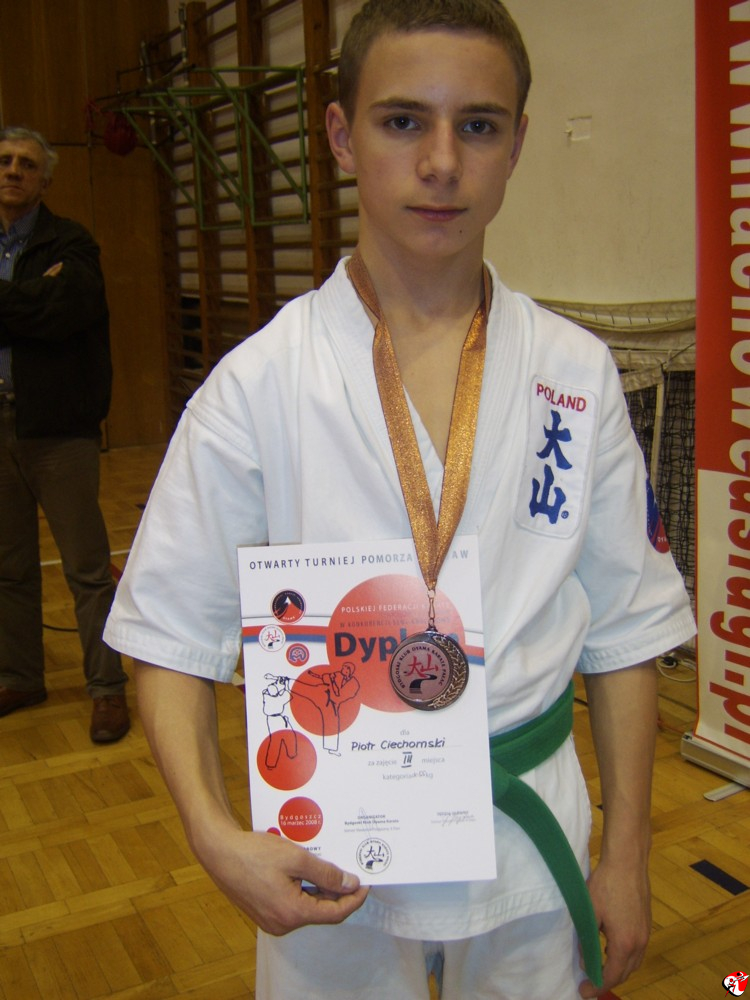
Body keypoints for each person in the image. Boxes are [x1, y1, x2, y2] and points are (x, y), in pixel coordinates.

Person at [104, 1, 695, 997]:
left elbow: (626, 631)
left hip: (526, 840)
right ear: (341, 136)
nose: (441, 162)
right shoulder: (259, 384)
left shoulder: (573, 372)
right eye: (403, 120)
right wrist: (212, 834)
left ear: (516, 146)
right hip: (326, 852)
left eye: (479, 125)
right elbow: (169, 632)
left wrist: (628, 853)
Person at [0, 126, 129, 743]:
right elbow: (37, 308)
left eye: (27, 164)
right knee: (9, 567)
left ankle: (107, 688)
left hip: (58, 431)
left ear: (45, 179)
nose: (13, 170)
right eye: (4, 160)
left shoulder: (72, 242)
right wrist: (28, 297)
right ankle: (21, 677)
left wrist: (27, 304)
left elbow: (61, 315)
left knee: (86, 569)